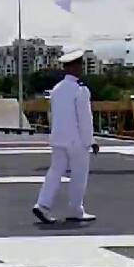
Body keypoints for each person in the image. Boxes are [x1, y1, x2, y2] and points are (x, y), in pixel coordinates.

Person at [33, 49, 98, 223]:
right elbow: (84, 118)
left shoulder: (57, 89)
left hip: (58, 137)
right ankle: (76, 209)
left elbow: (53, 115)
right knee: (79, 174)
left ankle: (42, 204)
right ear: (76, 67)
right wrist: (91, 141)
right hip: (77, 140)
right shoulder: (80, 90)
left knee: (55, 172)